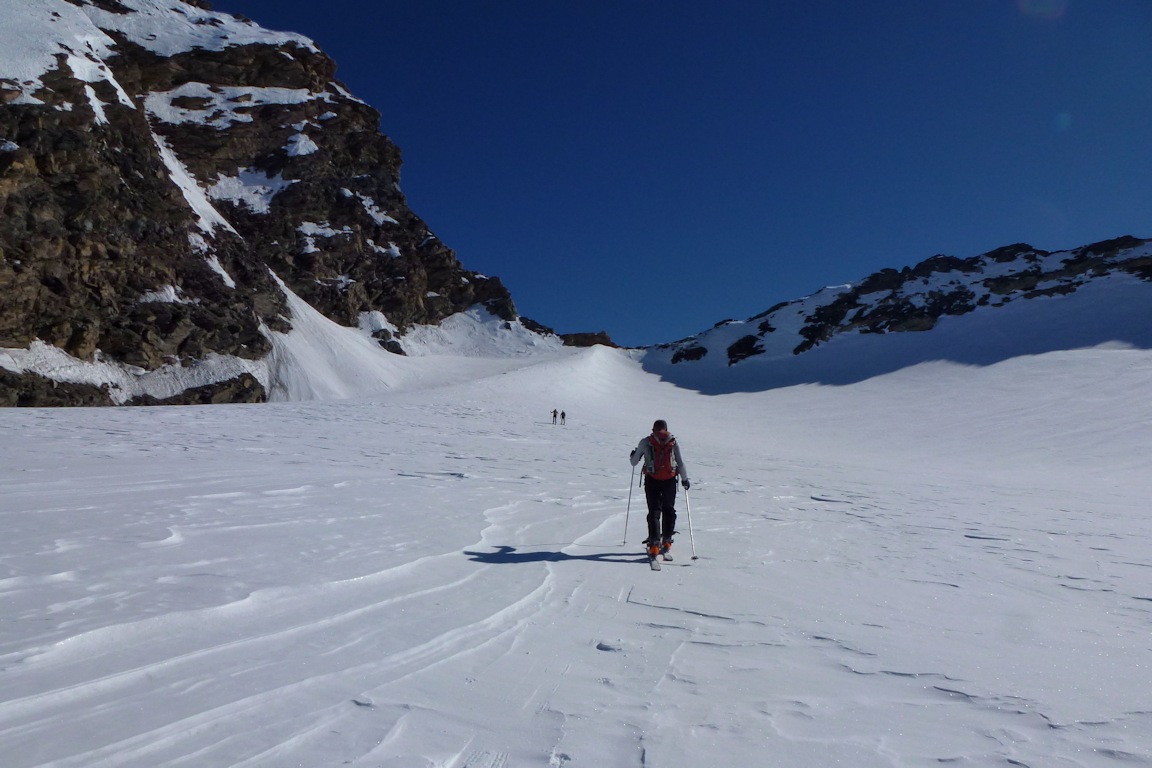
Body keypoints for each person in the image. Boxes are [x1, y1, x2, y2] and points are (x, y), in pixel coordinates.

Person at [629, 419, 690, 560]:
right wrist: (685, 479)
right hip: (669, 480)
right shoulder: (672, 442)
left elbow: (634, 462)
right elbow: (680, 462)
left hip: (652, 479)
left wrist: (633, 455)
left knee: (654, 511)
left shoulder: (646, 442)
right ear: (667, 429)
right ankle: (667, 540)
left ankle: (654, 544)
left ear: (653, 429)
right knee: (669, 509)